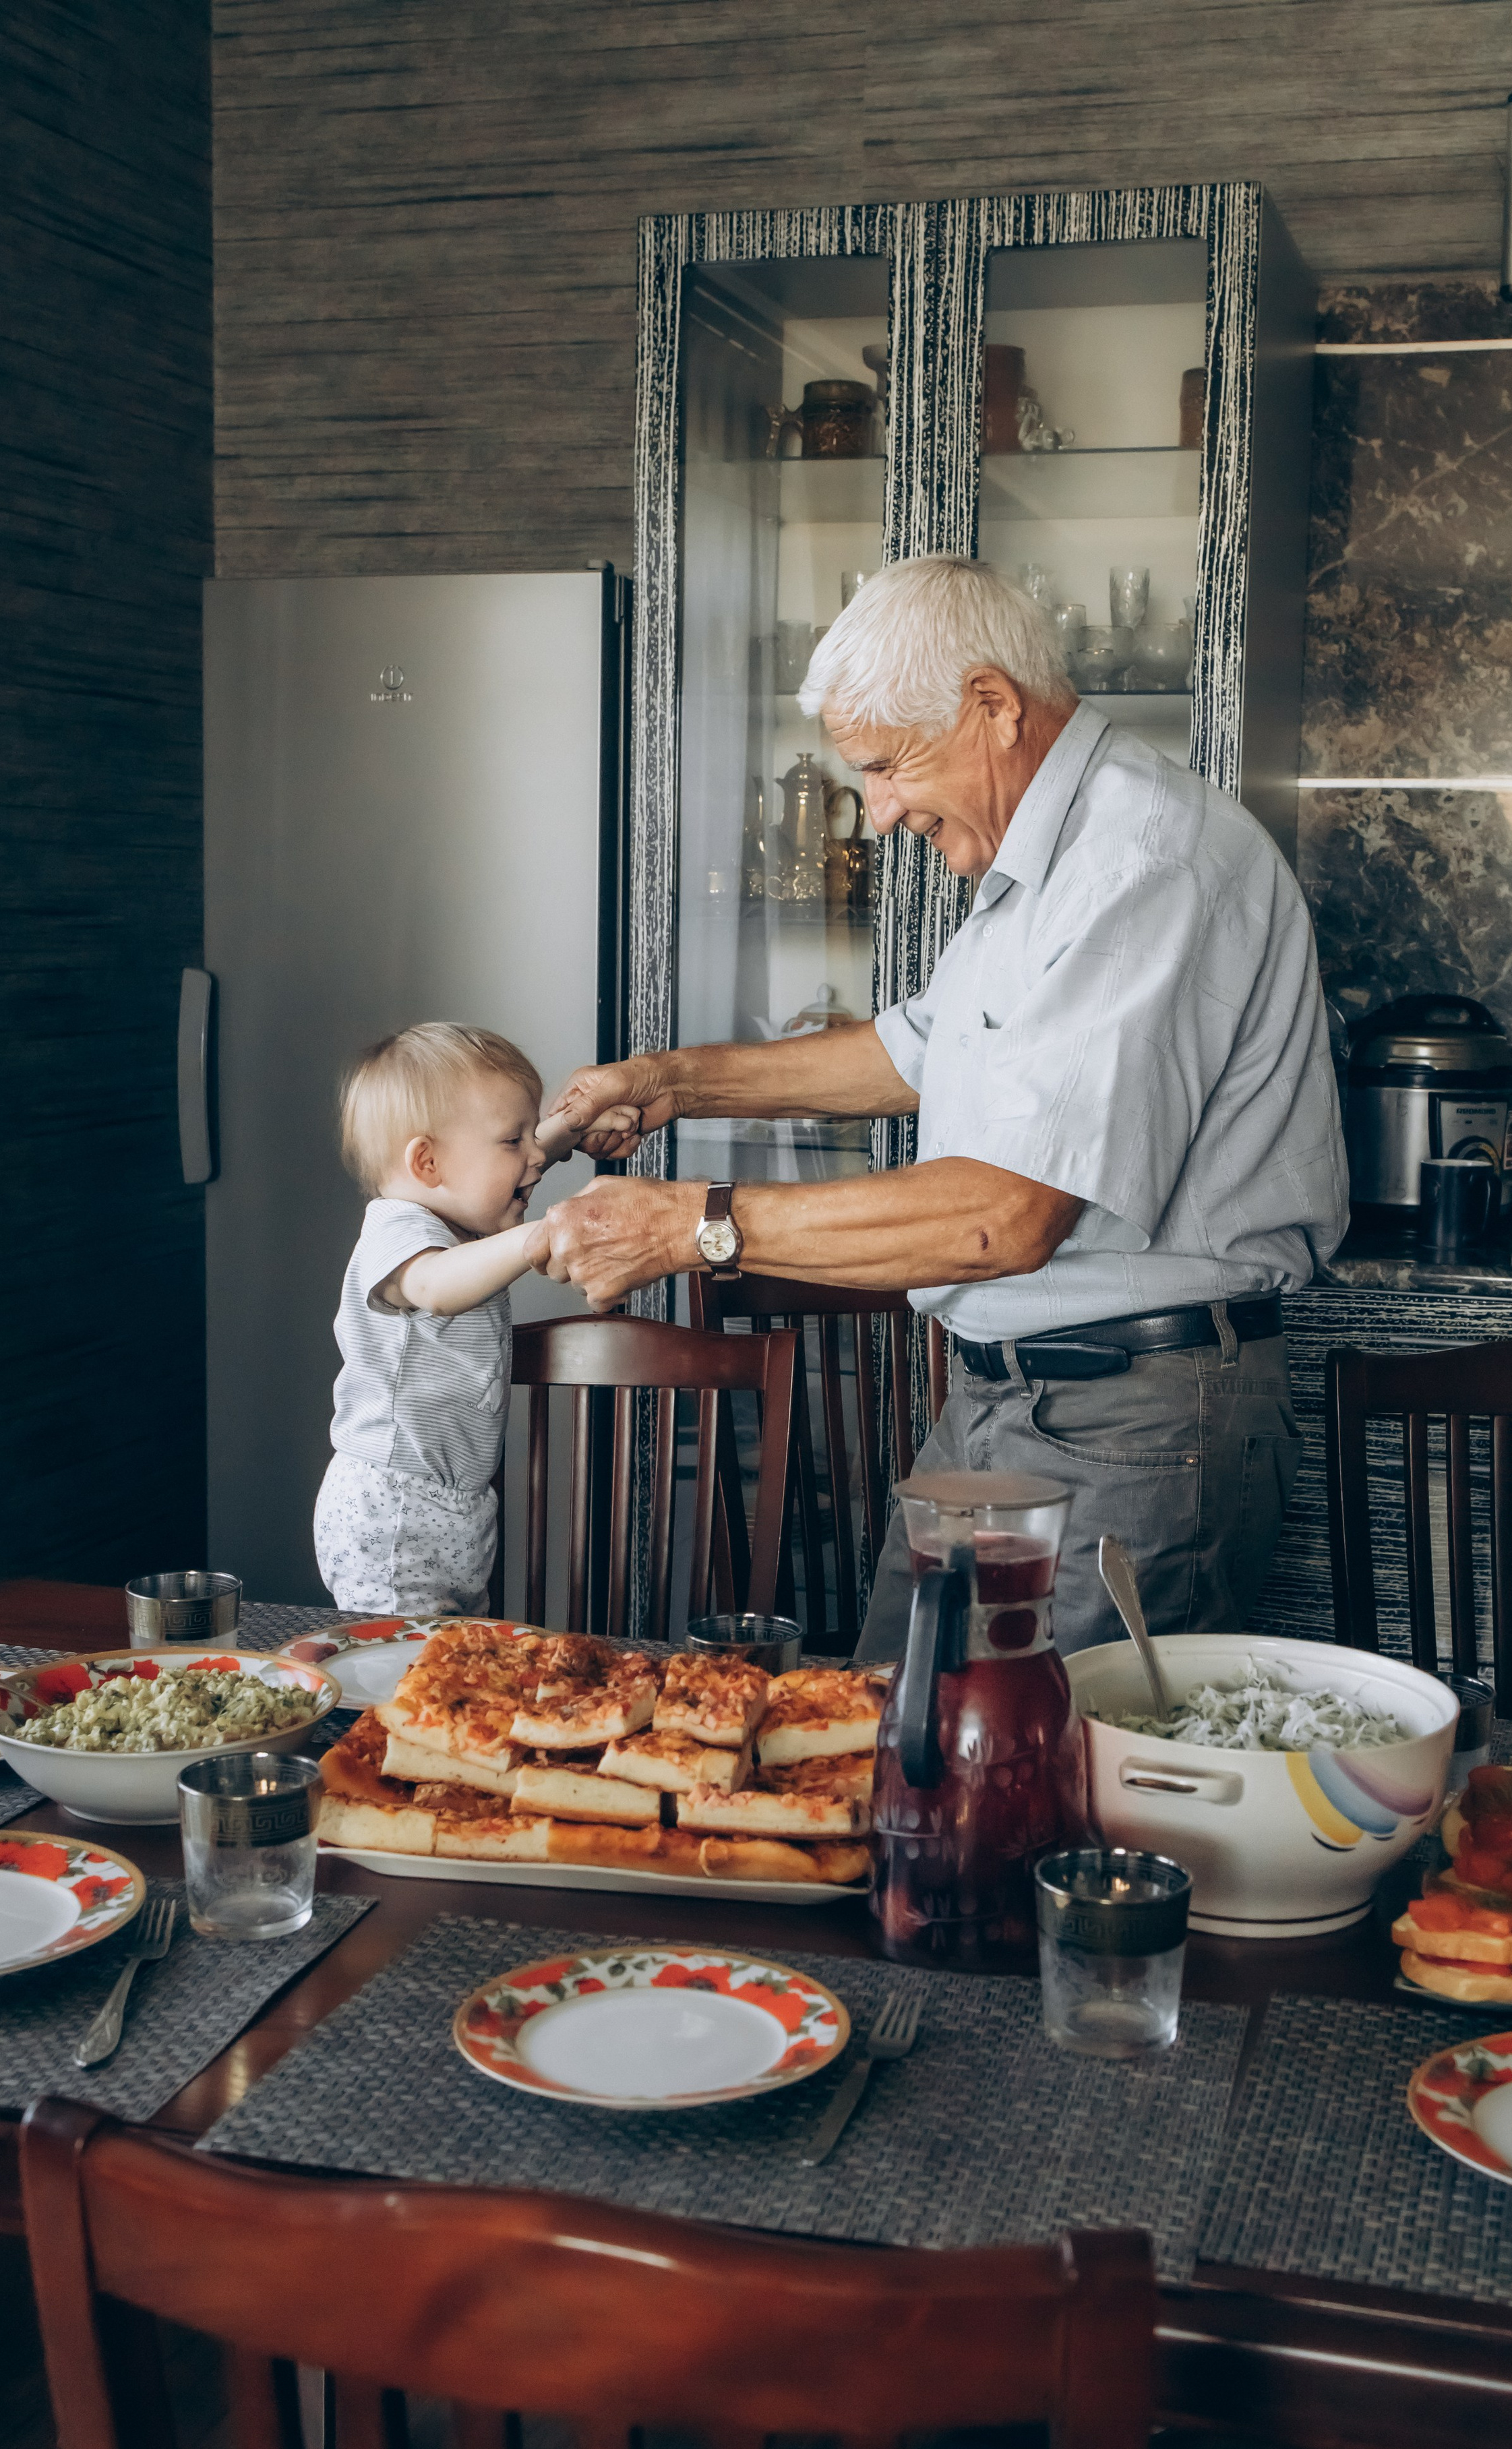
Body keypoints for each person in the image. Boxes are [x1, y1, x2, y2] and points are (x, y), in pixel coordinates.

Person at [534, 555, 1348, 1658]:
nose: (875, 813)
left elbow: (1003, 1219)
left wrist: (687, 1228)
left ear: (992, 705)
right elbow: (914, 1053)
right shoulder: (1041, 869)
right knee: (900, 1744)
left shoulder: (1140, 862)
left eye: (885, 766)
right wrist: (668, 1083)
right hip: (1009, 1400)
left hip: (1135, 1420)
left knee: (1051, 1793)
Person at [313, 1022, 551, 1615]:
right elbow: (436, 1287)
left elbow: (514, 1160)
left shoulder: (458, 1222)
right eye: (514, 1141)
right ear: (427, 1162)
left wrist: (568, 1126)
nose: (539, 1155)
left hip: (454, 1511)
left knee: (450, 1680)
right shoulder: (401, 1230)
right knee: (401, 1677)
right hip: (393, 1512)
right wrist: (541, 1238)